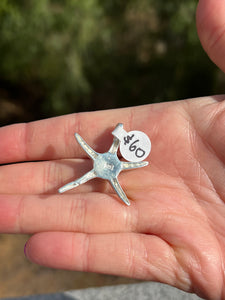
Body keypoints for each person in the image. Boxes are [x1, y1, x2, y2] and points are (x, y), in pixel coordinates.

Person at [0, 0, 224, 299]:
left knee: (85, 179)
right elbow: (97, 155)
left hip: (113, 163)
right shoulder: (110, 159)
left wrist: (121, 158)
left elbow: (108, 162)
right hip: (110, 162)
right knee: (83, 178)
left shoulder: (116, 162)